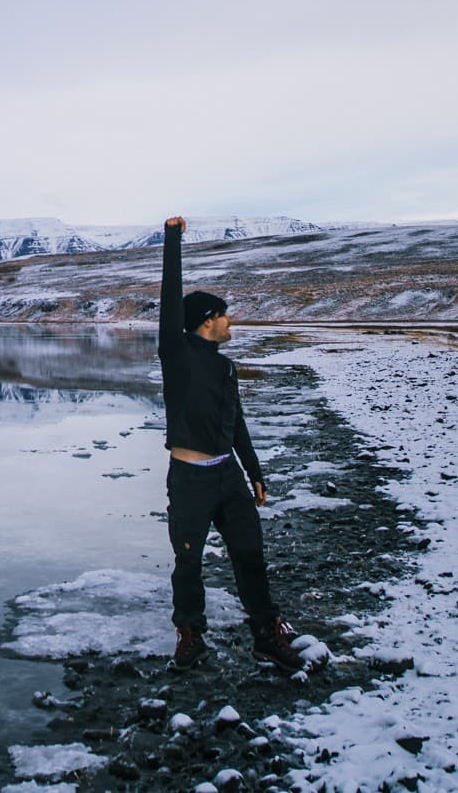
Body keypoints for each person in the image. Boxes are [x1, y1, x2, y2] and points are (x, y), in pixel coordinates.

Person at [158, 216, 304, 672]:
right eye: (223, 313)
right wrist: (172, 240)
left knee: (250, 554)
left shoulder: (225, 367)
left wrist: (255, 472)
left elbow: (236, 423)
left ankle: (266, 633)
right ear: (206, 322)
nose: (229, 319)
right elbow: (169, 299)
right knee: (189, 562)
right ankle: (189, 636)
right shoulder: (177, 355)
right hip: (189, 478)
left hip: (228, 475)